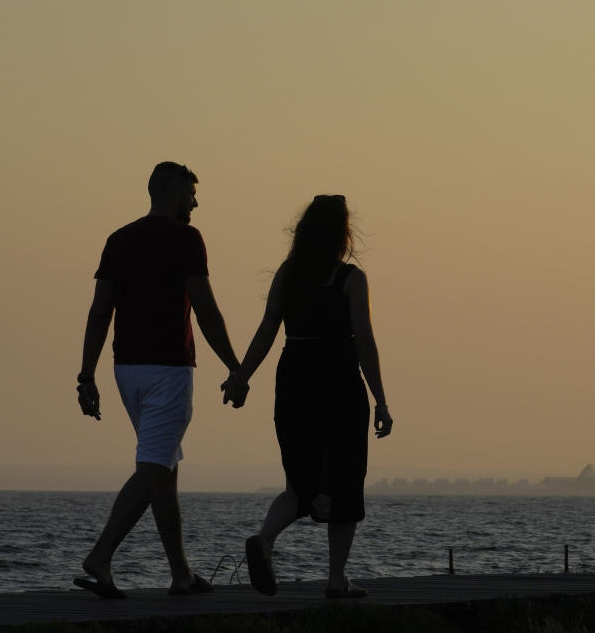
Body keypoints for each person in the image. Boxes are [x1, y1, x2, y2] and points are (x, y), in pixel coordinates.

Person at [74, 161, 243, 598]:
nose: (195, 203)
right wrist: (235, 366)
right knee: (152, 470)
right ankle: (101, 556)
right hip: (169, 370)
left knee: (164, 469)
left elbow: (99, 312)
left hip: (125, 370)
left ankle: (181, 575)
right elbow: (206, 309)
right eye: (190, 194)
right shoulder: (187, 240)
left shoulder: (118, 240)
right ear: (169, 193)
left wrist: (86, 374)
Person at [222, 194, 393, 599]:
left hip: (295, 377)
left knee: (300, 480)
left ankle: (265, 538)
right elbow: (364, 341)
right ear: (343, 233)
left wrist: (241, 377)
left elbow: (267, 330)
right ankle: (336, 580)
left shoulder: (288, 273)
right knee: (346, 480)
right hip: (338, 383)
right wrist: (381, 400)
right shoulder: (350, 278)